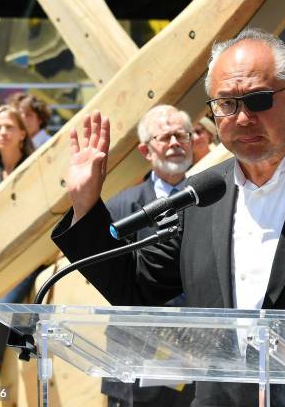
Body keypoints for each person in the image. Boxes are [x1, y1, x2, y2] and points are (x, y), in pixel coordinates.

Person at [52, 28, 285, 406]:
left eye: (257, 100)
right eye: (226, 104)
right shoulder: (202, 195)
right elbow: (135, 288)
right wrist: (86, 204)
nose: (242, 118)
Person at [102, 104, 195, 407]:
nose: (174, 143)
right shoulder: (120, 208)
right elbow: (114, 280)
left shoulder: (213, 198)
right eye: (165, 137)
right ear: (145, 150)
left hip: (197, 355)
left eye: (182, 135)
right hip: (137, 359)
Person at [0, 106, 35, 403]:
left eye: (9, 127)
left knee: (2, 309)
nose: (2, 132)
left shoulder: (36, 168)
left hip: (29, 257)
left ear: (23, 133)